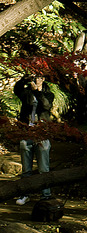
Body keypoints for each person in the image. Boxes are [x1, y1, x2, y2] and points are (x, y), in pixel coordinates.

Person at [13, 73, 54, 205]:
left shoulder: (48, 94)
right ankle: (25, 194)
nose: (36, 80)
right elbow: (16, 89)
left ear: (43, 79)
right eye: (34, 77)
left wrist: (38, 92)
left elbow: (46, 106)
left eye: (38, 77)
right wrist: (24, 79)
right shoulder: (26, 93)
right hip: (27, 132)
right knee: (26, 168)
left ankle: (46, 195)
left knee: (43, 168)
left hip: (42, 134)